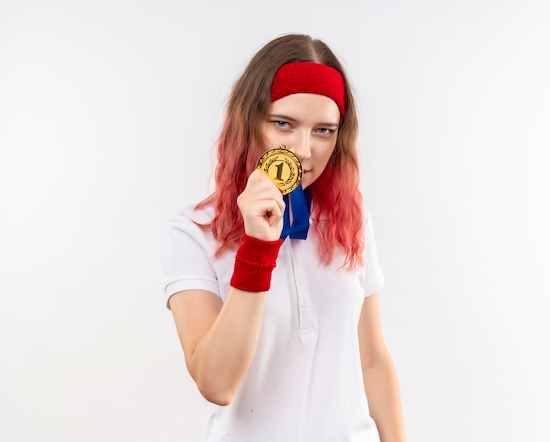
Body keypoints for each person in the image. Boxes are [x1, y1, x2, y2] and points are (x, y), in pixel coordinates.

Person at [164, 34, 406, 442]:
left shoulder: (350, 218)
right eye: (283, 124)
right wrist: (258, 246)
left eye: (324, 130)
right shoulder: (193, 230)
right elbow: (215, 383)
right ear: (248, 120)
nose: (304, 150)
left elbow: (372, 359)